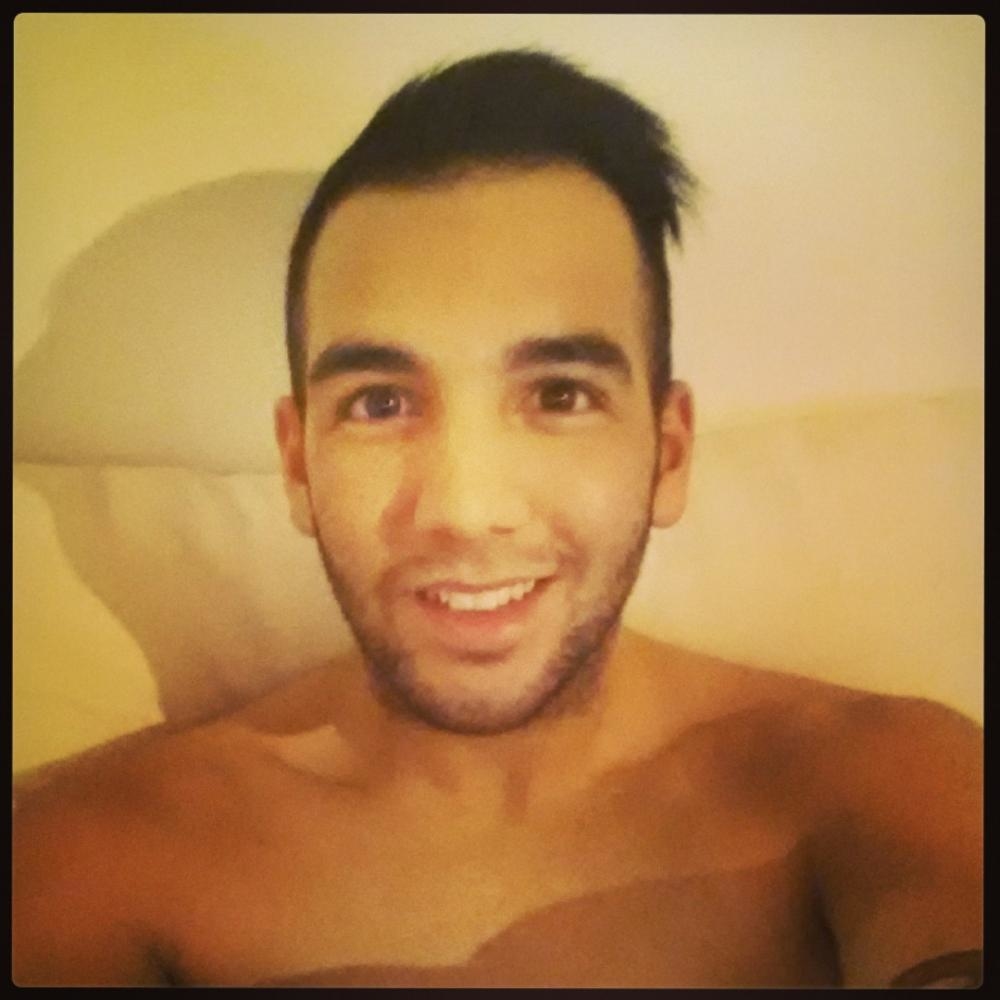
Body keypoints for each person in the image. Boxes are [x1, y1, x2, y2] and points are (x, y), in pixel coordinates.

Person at [12, 50, 982, 988]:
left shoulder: (884, 780)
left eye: (560, 395)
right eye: (380, 403)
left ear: (668, 452)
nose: (466, 514)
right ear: (299, 463)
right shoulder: (97, 859)